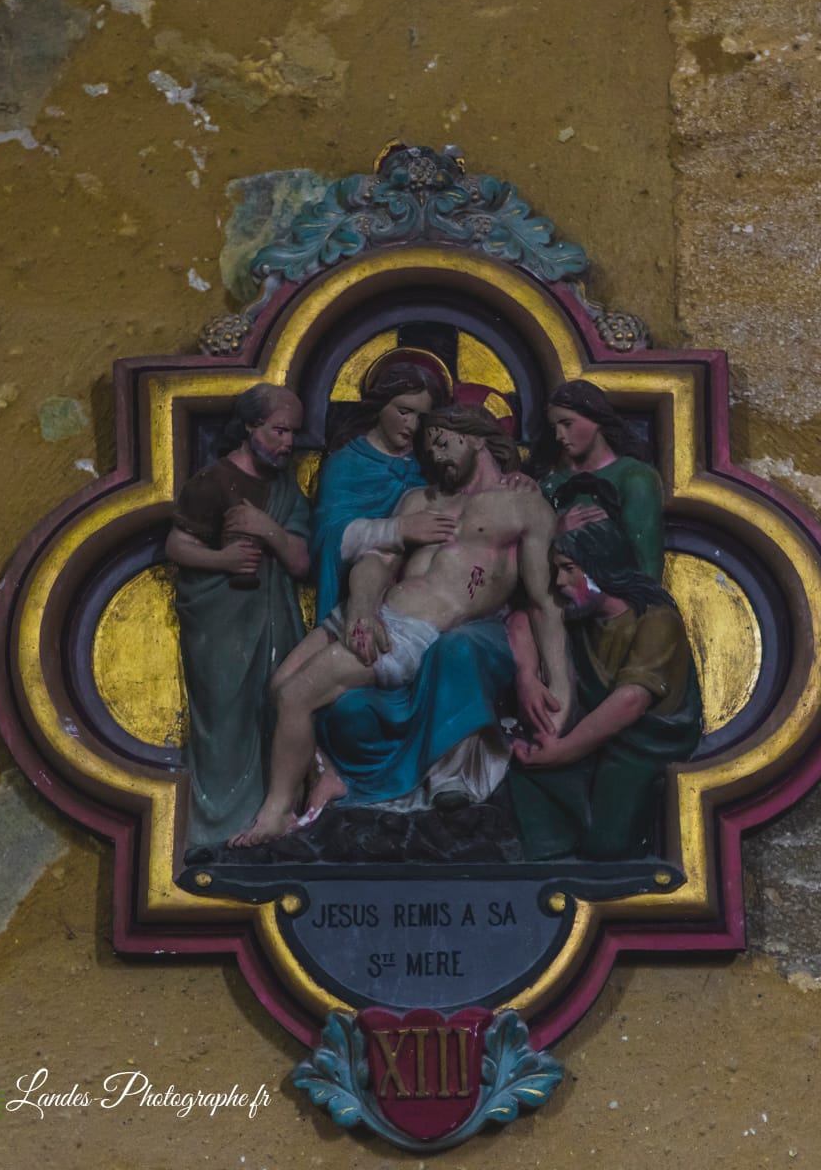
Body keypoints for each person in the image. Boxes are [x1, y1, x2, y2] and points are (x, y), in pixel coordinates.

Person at [229, 403, 572, 847]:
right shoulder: (420, 501)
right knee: (279, 687)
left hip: (411, 632)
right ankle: (326, 775)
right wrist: (364, 610)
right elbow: (376, 561)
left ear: (477, 438)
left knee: (297, 697)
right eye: (430, 448)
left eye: (445, 442)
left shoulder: (523, 507)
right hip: (368, 614)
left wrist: (559, 689)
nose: (437, 456)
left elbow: (544, 603)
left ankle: (276, 813)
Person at [508, 476, 702, 861]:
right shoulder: (579, 617)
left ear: (599, 564)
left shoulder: (656, 621)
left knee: (607, 847)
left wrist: (561, 752)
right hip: (596, 741)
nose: (559, 581)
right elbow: (522, 619)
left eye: (567, 569)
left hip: (641, 747)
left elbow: (630, 702)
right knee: (522, 777)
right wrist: (527, 675)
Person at [166, 384, 311, 847]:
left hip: (276, 623)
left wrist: (266, 529)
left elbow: (303, 562)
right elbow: (178, 545)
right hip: (221, 628)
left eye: (293, 434)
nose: (288, 443)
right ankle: (220, 826)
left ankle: (276, 814)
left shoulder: (286, 490)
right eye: (279, 431)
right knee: (227, 721)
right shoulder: (212, 482)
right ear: (250, 427)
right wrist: (223, 562)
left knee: (276, 708)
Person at [310, 348, 455, 623]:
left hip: (422, 597)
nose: (412, 425)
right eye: (404, 411)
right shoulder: (346, 464)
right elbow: (327, 540)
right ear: (380, 406)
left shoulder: (431, 463)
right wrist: (398, 530)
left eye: (421, 417)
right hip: (356, 597)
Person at [529, 380, 665, 580]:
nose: (559, 436)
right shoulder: (550, 484)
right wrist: (556, 531)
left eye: (567, 424)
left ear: (596, 418)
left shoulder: (635, 479)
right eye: (554, 427)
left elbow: (646, 564)